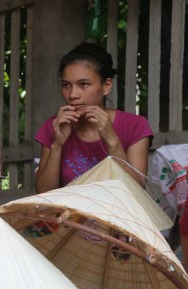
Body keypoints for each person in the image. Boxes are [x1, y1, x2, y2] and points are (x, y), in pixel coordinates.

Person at [34, 42, 153, 193]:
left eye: (83, 84)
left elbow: (138, 191)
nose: (72, 95)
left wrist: (112, 140)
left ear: (106, 86)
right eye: (66, 85)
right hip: (68, 216)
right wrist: (57, 145)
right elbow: (44, 194)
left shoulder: (135, 126)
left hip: (116, 215)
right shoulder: (55, 126)